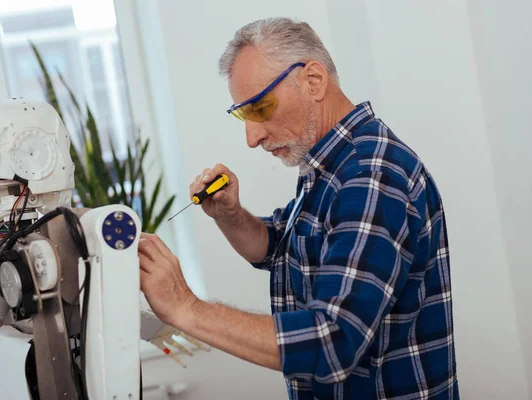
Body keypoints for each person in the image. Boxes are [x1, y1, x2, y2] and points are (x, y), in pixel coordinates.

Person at [138, 18, 459, 399]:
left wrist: (185, 307)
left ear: (313, 80)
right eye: (244, 115)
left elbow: (332, 341)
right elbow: (278, 247)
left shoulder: (371, 175)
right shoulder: (330, 168)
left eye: (260, 107)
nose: (252, 137)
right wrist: (230, 214)